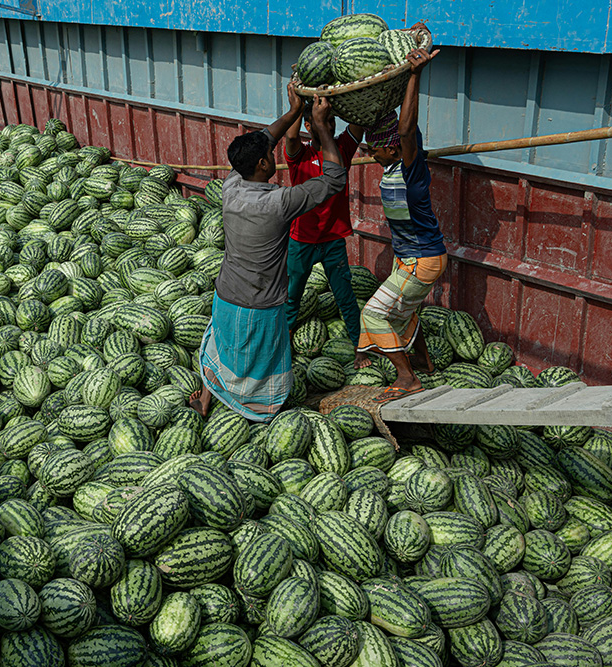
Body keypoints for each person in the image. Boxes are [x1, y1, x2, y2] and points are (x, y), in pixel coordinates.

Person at [189, 85, 347, 421]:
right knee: (260, 362)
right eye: (269, 155)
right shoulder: (278, 203)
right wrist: (319, 127)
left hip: (225, 293)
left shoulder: (231, 184)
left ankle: (206, 397)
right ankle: (258, 411)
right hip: (259, 303)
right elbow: (335, 178)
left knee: (223, 345)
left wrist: (292, 113)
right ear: (263, 163)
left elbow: (264, 138)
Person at [354, 42, 446, 404]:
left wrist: (414, 75)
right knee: (406, 314)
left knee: (375, 314)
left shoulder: (412, 170)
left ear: (392, 150)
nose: (370, 155)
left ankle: (407, 378)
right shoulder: (394, 166)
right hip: (410, 257)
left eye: (374, 150)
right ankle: (424, 364)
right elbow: (397, 125)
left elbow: (407, 130)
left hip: (422, 258)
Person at [283, 99, 364, 344]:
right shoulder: (300, 155)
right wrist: (296, 105)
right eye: (324, 121)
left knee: (345, 297)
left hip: (332, 240)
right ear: (309, 125)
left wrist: (353, 92)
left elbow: (359, 123)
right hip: (302, 239)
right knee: (291, 298)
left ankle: (359, 346)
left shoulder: (342, 149)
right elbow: (290, 136)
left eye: (332, 121)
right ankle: (283, 345)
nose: (330, 126)